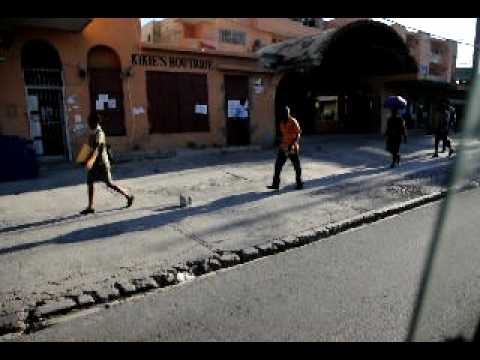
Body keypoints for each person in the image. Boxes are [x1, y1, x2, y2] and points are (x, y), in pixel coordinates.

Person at [80, 112, 134, 215]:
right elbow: (88, 146)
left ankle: (128, 195)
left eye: (90, 122)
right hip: (94, 165)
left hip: (101, 164)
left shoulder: (99, 133)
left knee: (110, 184)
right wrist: (82, 158)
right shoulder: (92, 132)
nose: (88, 124)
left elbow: (97, 148)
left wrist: (91, 160)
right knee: (90, 183)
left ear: (95, 122)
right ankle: (90, 206)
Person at [267, 106, 303, 191]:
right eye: (283, 113)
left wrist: (292, 144)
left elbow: (298, 134)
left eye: (286, 112)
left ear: (289, 113)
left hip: (292, 148)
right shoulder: (282, 122)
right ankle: (275, 184)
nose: (285, 114)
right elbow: (284, 135)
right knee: (278, 166)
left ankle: (299, 183)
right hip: (283, 147)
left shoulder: (293, 121)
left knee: (297, 166)